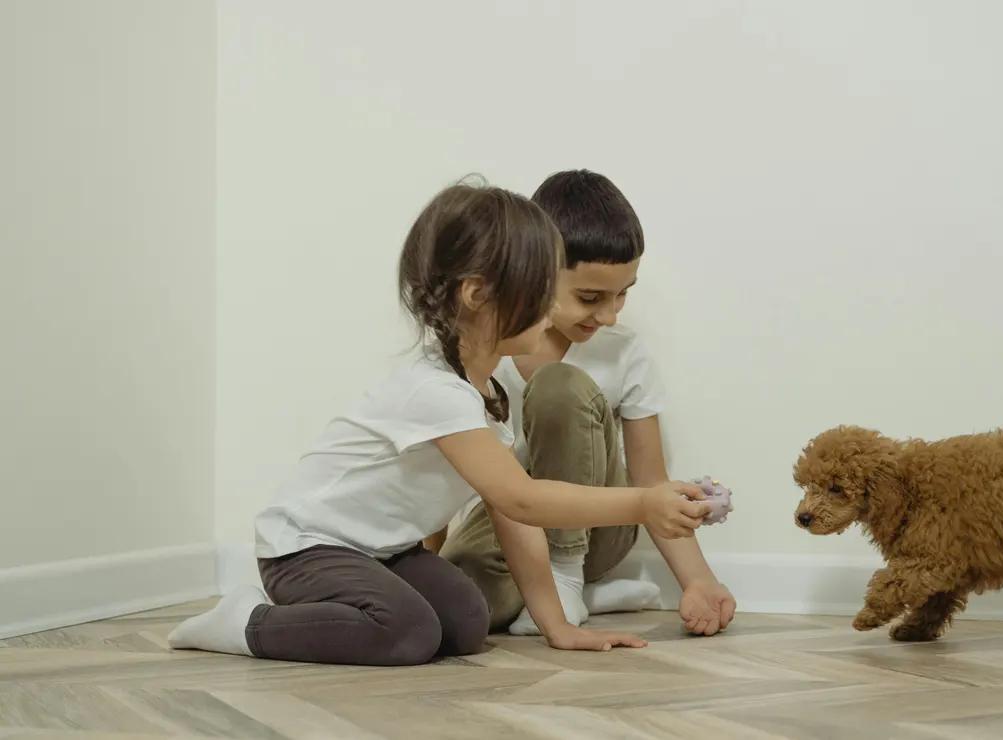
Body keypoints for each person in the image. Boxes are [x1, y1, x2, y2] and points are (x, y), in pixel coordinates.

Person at [166, 179, 712, 666]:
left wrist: (558, 627)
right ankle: (244, 622)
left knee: (466, 623)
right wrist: (642, 504)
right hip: (308, 547)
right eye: (540, 291)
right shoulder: (435, 391)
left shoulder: (485, 391)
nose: (551, 310)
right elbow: (522, 499)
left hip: (382, 550)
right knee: (407, 632)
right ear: (477, 294)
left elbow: (510, 512)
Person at [438, 170, 738, 637]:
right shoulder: (485, 351)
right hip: (519, 519)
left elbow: (649, 478)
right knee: (461, 603)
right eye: (590, 297)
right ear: (534, 272)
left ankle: (568, 575)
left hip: (599, 529)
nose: (610, 313)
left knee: (559, 386)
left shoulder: (623, 351)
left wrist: (699, 580)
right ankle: (585, 596)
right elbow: (444, 471)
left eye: (622, 294)